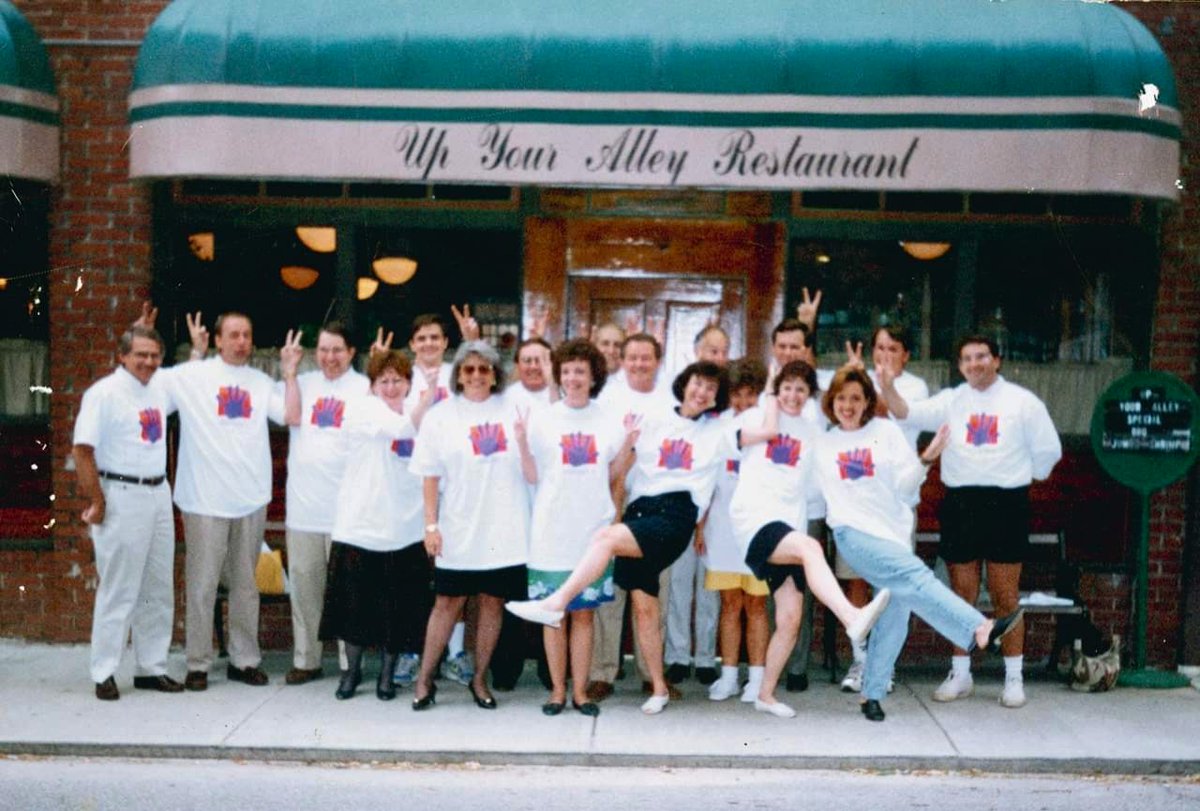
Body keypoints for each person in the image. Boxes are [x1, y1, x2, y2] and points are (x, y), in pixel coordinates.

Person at [509, 361, 889, 715]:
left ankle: (556, 601)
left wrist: (775, 390)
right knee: (644, 607)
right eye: (697, 384)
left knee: (605, 539)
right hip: (641, 513)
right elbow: (620, 461)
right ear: (684, 385)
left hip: (675, 515)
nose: (702, 392)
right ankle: (659, 686)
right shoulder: (655, 418)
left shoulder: (720, 428)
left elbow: (769, 430)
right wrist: (625, 448)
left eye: (710, 387)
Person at [817, 366, 1024, 721]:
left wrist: (926, 460)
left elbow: (904, 489)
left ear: (868, 401)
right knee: (917, 578)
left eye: (856, 398)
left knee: (896, 611)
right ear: (831, 402)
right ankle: (978, 627)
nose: (848, 405)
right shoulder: (823, 443)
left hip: (892, 538)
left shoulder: (886, 432)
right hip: (853, 535)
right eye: (841, 398)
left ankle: (872, 694)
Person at [878, 335, 1062, 709]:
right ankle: (961, 674)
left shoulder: (1023, 402)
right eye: (966, 358)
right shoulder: (951, 400)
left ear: (997, 359)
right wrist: (885, 385)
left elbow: (1048, 451)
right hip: (961, 503)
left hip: (1005, 503)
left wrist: (1021, 476)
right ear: (960, 365)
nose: (974, 364)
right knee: (961, 595)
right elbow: (904, 412)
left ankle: (1013, 678)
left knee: (1004, 595)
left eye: (982, 356)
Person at [728, 361, 891, 718]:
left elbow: (833, 474)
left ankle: (765, 695)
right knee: (810, 547)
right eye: (786, 387)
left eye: (801, 389)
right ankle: (851, 617)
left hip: (790, 524)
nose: (793, 395)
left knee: (789, 617)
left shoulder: (813, 431)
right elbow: (766, 430)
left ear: (810, 395)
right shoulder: (753, 417)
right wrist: (770, 393)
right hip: (754, 519)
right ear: (776, 388)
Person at [158, 312, 301, 691]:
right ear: (217, 340)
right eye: (234, 335)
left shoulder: (259, 381)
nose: (241, 342)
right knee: (202, 586)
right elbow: (158, 397)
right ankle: (198, 663)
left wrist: (288, 373)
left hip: (250, 498)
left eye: (247, 335)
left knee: (245, 586)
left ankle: (244, 660)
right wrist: (193, 356)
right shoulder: (193, 375)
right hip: (203, 500)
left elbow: (289, 415)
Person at [408, 341, 531, 711]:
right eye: (469, 369)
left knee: (493, 604)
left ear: (495, 374)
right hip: (458, 525)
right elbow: (428, 476)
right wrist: (431, 526)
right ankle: (424, 678)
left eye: (484, 369)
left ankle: (479, 678)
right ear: (458, 375)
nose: (477, 376)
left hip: (503, 526)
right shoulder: (440, 416)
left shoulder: (515, 410)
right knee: (447, 603)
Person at [514, 339, 633, 717]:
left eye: (581, 370)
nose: (573, 377)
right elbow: (532, 475)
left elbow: (611, 475)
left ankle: (581, 692)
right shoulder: (543, 419)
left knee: (583, 615)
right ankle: (556, 691)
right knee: (553, 613)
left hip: (591, 530)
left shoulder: (608, 419)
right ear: (559, 375)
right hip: (551, 529)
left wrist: (629, 446)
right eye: (566, 371)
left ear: (593, 375)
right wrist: (520, 443)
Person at [318, 351, 436, 700]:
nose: (390, 387)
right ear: (372, 386)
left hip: (404, 528)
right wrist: (425, 401)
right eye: (383, 381)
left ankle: (387, 677)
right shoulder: (363, 409)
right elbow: (400, 428)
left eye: (397, 380)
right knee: (354, 609)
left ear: (407, 383)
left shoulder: (421, 411)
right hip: (361, 525)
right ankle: (351, 674)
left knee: (396, 610)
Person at [73, 325, 182, 700]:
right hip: (120, 493)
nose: (149, 362)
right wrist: (97, 502)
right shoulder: (103, 394)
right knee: (119, 589)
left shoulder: (158, 388)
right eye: (140, 355)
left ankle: (151, 667)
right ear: (122, 356)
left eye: (154, 356)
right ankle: (104, 671)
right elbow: (82, 451)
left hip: (157, 492)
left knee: (157, 587)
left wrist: (144, 325)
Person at [836, 324, 931, 694]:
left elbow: (885, 410)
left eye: (893, 348)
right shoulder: (856, 379)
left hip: (896, 506)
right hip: (857, 503)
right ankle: (860, 661)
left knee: (891, 586)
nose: (885, 355)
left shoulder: (915, 387)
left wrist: (866, 379)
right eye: (879, 347)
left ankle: (883, 665)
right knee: (856, 582)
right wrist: (858, 377)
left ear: (905, 354)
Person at [277, 323, 369, 686]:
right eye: (325, 350)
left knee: (349, 591)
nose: (331, 357)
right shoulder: (304, 383)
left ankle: (351, 663)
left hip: (348, 510)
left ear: (351, 352)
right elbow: (293, 417)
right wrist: (289, 374)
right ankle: (307, 659)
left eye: (338, 350)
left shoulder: (364, 389)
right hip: (303, 508)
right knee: (304, 587)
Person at [586, 332, 676, 702]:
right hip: (614, 502)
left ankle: (650, 672)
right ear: (622, 361)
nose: (639, 364)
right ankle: (602, 671)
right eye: (632, 358)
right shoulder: (608, 398)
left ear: (658, 360)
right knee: (610, 591)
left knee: (656, 590)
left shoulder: (671, 400)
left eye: (646, 357)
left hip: (656, 505)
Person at [701, 358, 771, 703]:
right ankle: (728, 675)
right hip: (722, 530)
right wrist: (700, 525)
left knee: (756, 605)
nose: (743, 403)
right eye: (737, 395)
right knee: (730, 604)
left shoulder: (769, 427)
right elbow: (706, 481)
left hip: (756, 528)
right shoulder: (718, 427)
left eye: (750, 395)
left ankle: (757, 678)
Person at [664, 324, 730, 685]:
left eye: (722, 351)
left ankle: (705, 656)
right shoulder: (674, 409)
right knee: (678, 583)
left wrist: (706, 521)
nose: (716, 357)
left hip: (716, 511)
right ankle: (677, 654)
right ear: (696, 351)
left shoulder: (725, 412)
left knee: (709, 589)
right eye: (710, 349)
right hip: (681, 513)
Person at [505, 337, 559, 412]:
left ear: (551, 364)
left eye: (539, 360)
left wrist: (552, 386)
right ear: (517, 365)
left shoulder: (566, 394)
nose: (533, 366)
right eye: (527, 361)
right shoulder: (505, 397)